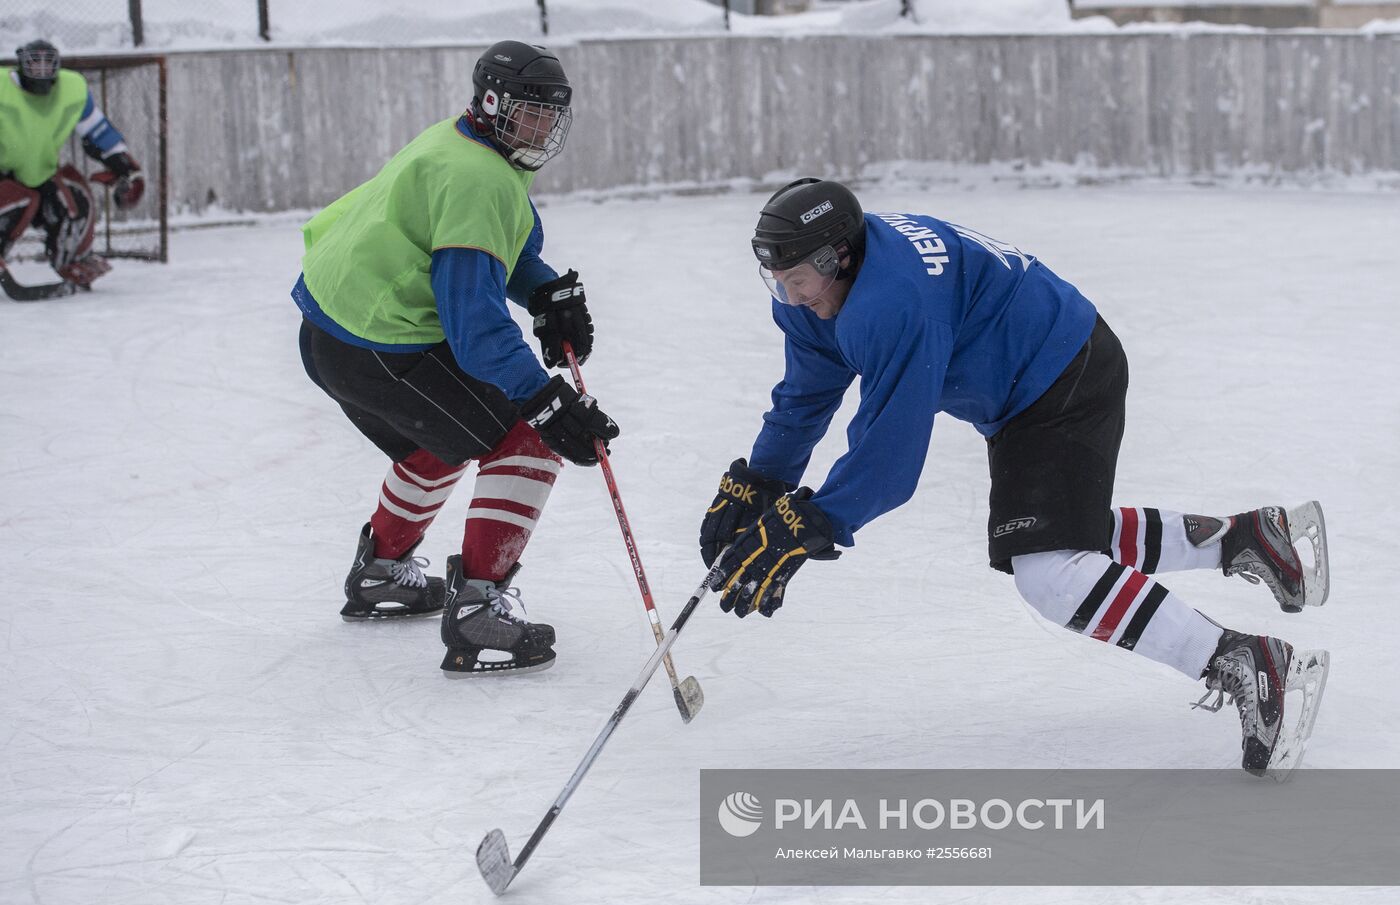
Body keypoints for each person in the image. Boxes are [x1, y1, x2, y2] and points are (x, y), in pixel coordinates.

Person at [699, 177, 1331, 778]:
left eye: (799, 279)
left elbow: (888, 461)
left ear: (839, 257)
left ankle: (1248, 662)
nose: (792, 296)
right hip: (1029, 379)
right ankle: (1248, 539)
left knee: (1050, 570)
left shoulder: (892, 302)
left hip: (1063, 372)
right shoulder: (826, 294)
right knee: (1055, 533)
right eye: (775, 282)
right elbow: (807, 394)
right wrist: (761, 480)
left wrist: (811, 522)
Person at [294, 40, 619, 677]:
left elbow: (490, 243)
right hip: (380, 342)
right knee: (525, 441)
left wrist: (543, 290)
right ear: (492, 104)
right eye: (529, 113)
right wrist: (545, 400)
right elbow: (474, 329)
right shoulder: (479, 176)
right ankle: (476, 611)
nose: (543, 128)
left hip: (333, 333)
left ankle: (381, 574)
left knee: (439, 439)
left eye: (551, 117)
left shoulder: (461, 140)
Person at [0, 39, 145, 290]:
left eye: (48, 66)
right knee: (13, 199)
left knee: (74, 201)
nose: (42, 73)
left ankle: (72, 261)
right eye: (36, 66)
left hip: (40, 172)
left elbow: (98, 131)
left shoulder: (72, 89)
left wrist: (125, 169)